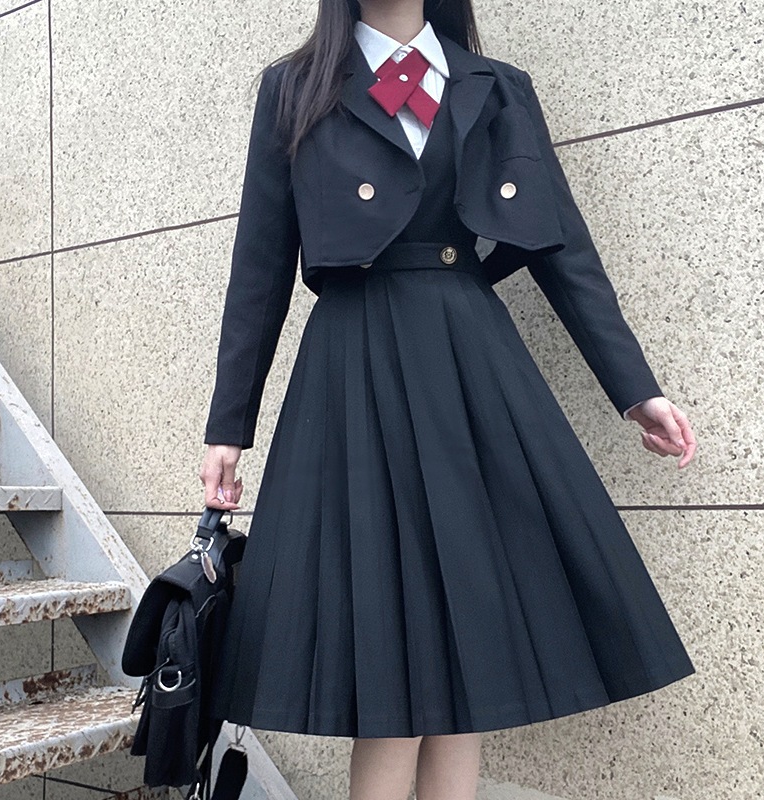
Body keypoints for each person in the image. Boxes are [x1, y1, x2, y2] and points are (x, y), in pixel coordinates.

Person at [198, 1, 698, 798]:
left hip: (471, 370)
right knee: (388, 672)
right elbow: (258, 266)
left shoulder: (497, 86)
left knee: (468, 655)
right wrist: (230, 426)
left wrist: (636, 391)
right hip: (354, 373)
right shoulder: (295, 89)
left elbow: (564, 248)